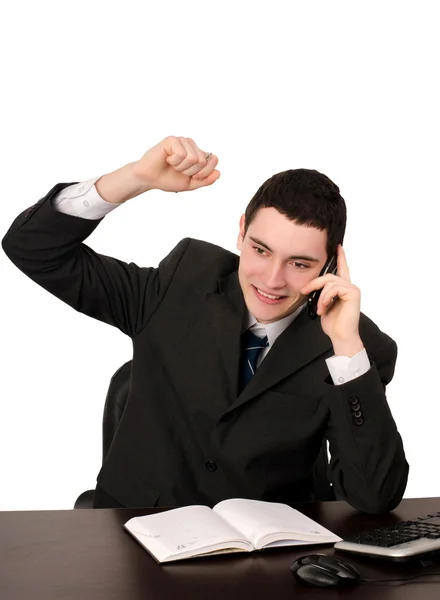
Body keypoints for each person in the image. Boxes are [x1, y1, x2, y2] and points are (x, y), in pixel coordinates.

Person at [2, 136, 408, 513]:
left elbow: (374, 497)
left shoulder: (357, 345)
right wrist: (135, 178)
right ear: (241, 231)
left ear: (332, 265)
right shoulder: (181, 282)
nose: (271, 280)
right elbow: (32, 248)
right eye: (260, 250)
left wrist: (347, 349)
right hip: (133, 537)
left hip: (263, 560)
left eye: (299, 264)